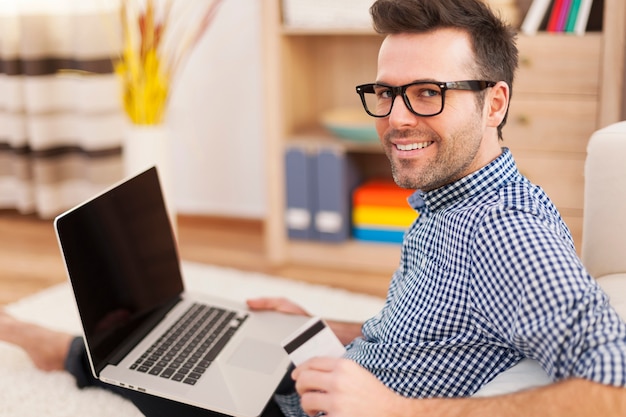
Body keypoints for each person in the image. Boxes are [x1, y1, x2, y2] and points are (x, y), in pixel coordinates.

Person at [1, 0, 626, 416]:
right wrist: (318, 326)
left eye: (429, 93)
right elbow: (436, 332)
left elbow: (612, 389)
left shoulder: (508, 232)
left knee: (132, 362)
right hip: (326, 371)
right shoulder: (451, 197)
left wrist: (396, 410)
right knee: (163, 338)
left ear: (494, 103)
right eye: (386, 93)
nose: (397, 119)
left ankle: (42, 342)